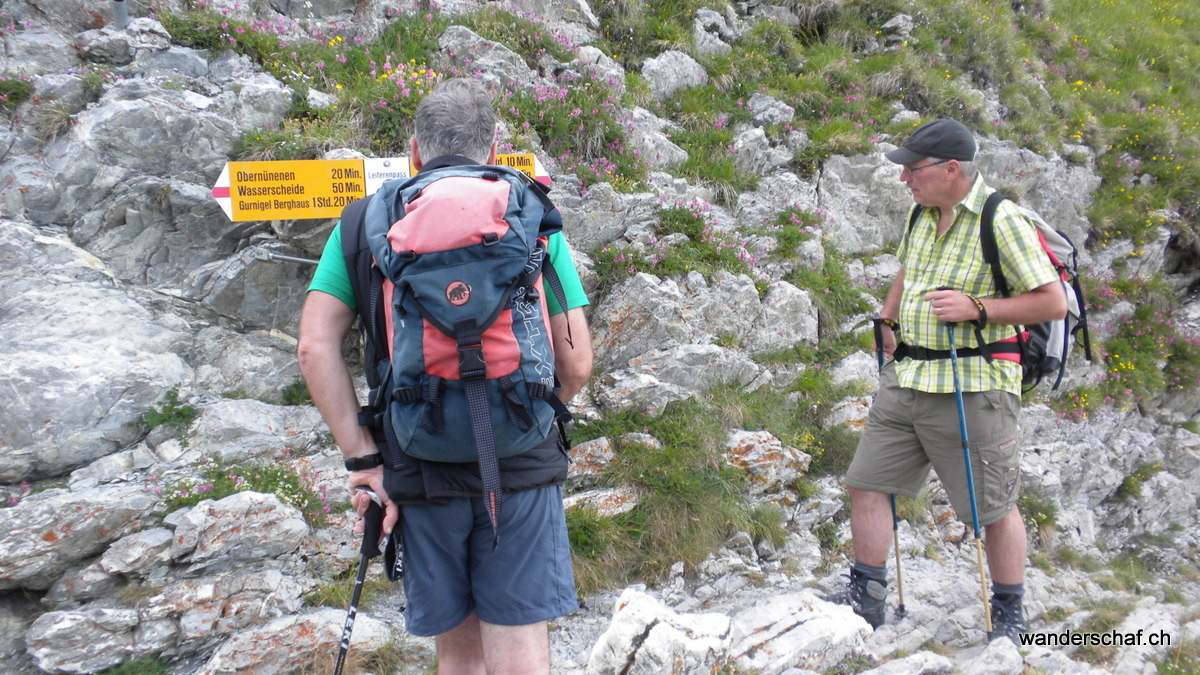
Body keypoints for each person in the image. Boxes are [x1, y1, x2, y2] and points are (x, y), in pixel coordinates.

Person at [296, 78, 594, 673]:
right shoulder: (529, 215)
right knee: (520, 650)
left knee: (457, 657)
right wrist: (536, 413)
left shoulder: (362, 225)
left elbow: (313, 347)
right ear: (494, 149)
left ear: (413, 151)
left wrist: (364, 461)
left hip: (419, 456)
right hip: (521, 461)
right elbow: (576, 362)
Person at [834, 119, 1066, 642]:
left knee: (992, 508)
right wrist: (889, 322)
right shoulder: (921, 214)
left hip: (974, 384)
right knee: (867, 485)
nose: (904, 179)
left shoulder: (1000, 219)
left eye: (913, 170)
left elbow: (1052, 302)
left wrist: (977, 308)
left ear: (952, 169)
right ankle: (866, 595)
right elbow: (906, 273)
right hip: (908, 377)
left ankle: (1008, 611)